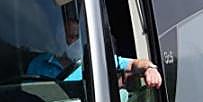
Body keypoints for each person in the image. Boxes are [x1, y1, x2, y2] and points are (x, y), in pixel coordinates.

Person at [28, 17, 163, 89]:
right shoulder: (38, 64)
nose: (76, 42)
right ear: (59, 39)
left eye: (78, 37)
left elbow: (134, 63)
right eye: (71, 37)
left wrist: (150, 68)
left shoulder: (95, 59)